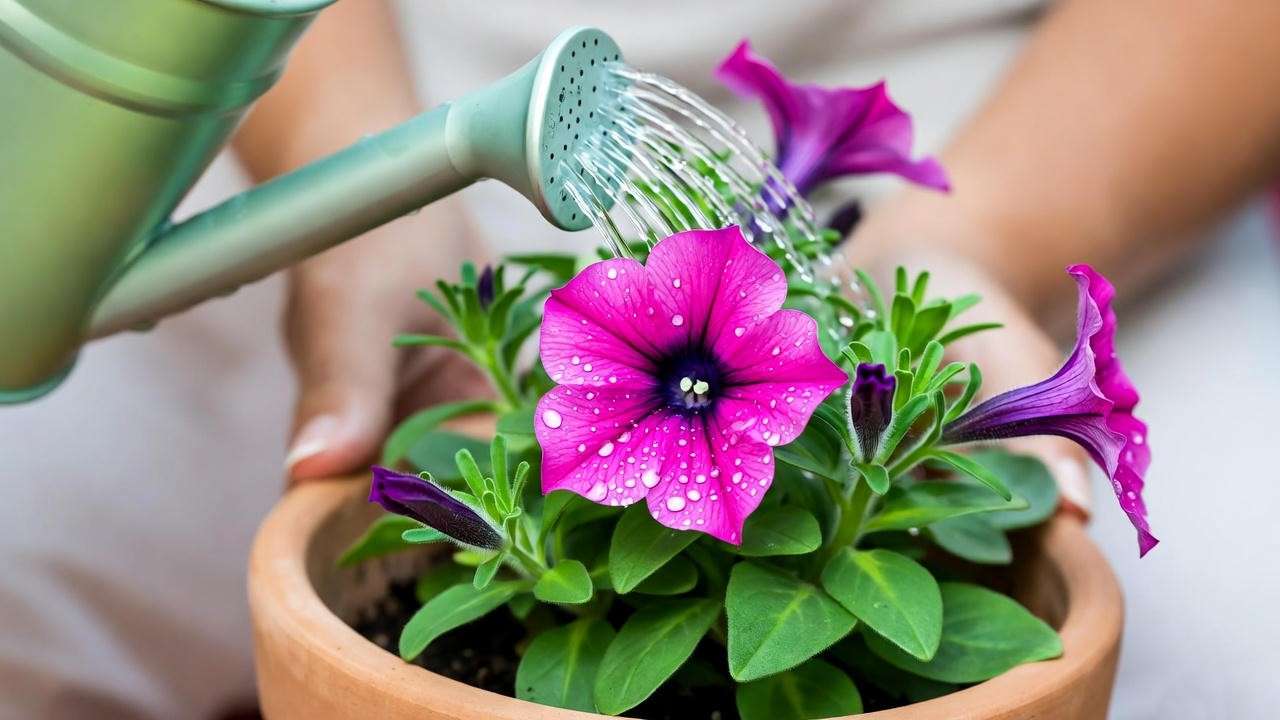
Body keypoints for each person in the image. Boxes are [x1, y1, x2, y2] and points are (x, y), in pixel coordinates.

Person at [1, 0, 1277, 718]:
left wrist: (990, 232)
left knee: (1234, 657)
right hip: (356, 96)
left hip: (1031, 133)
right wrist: (348, 150)